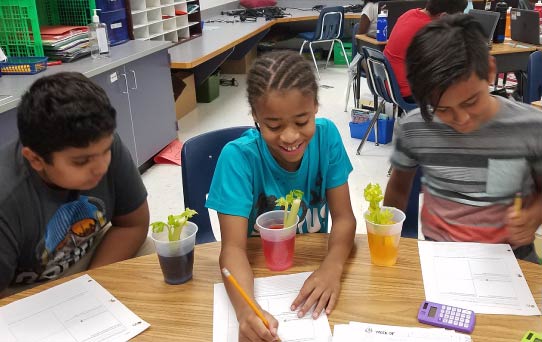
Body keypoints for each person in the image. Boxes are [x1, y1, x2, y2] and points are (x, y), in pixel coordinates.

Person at [206, 51, 356, 341]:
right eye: (273, 126)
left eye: (302, 122)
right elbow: (233, 249)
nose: (290, 137)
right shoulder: (237, 158)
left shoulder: (327, 138)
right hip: (258, 270)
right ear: (256, 117)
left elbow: (344, 219)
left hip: (311, 265)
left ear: (315, 107)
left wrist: (332, 266)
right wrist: (245, 312)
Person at [384, 14, 542, 263]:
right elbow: (398, 188)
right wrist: (390, 236)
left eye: (471, 101)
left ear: (490, 70)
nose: (461, 119)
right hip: (442, 258)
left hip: (512, 261)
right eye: (443, 109)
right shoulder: (415, 128)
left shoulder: (530, 128)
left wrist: (535, 214)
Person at [0, 72, 150, 296]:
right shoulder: (7, 198)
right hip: (21, 288)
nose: (100, 167)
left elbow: (132, 225)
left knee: (158, 260)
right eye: (81, 161)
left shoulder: (98, 144)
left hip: (91, 255)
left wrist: (91, 286)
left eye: (106, 151)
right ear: (36, 159)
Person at [383, 0, 467, 101]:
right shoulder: (429, 29)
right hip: (407, 92)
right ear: (444, 16)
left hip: (387, 84)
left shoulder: (409, 14)